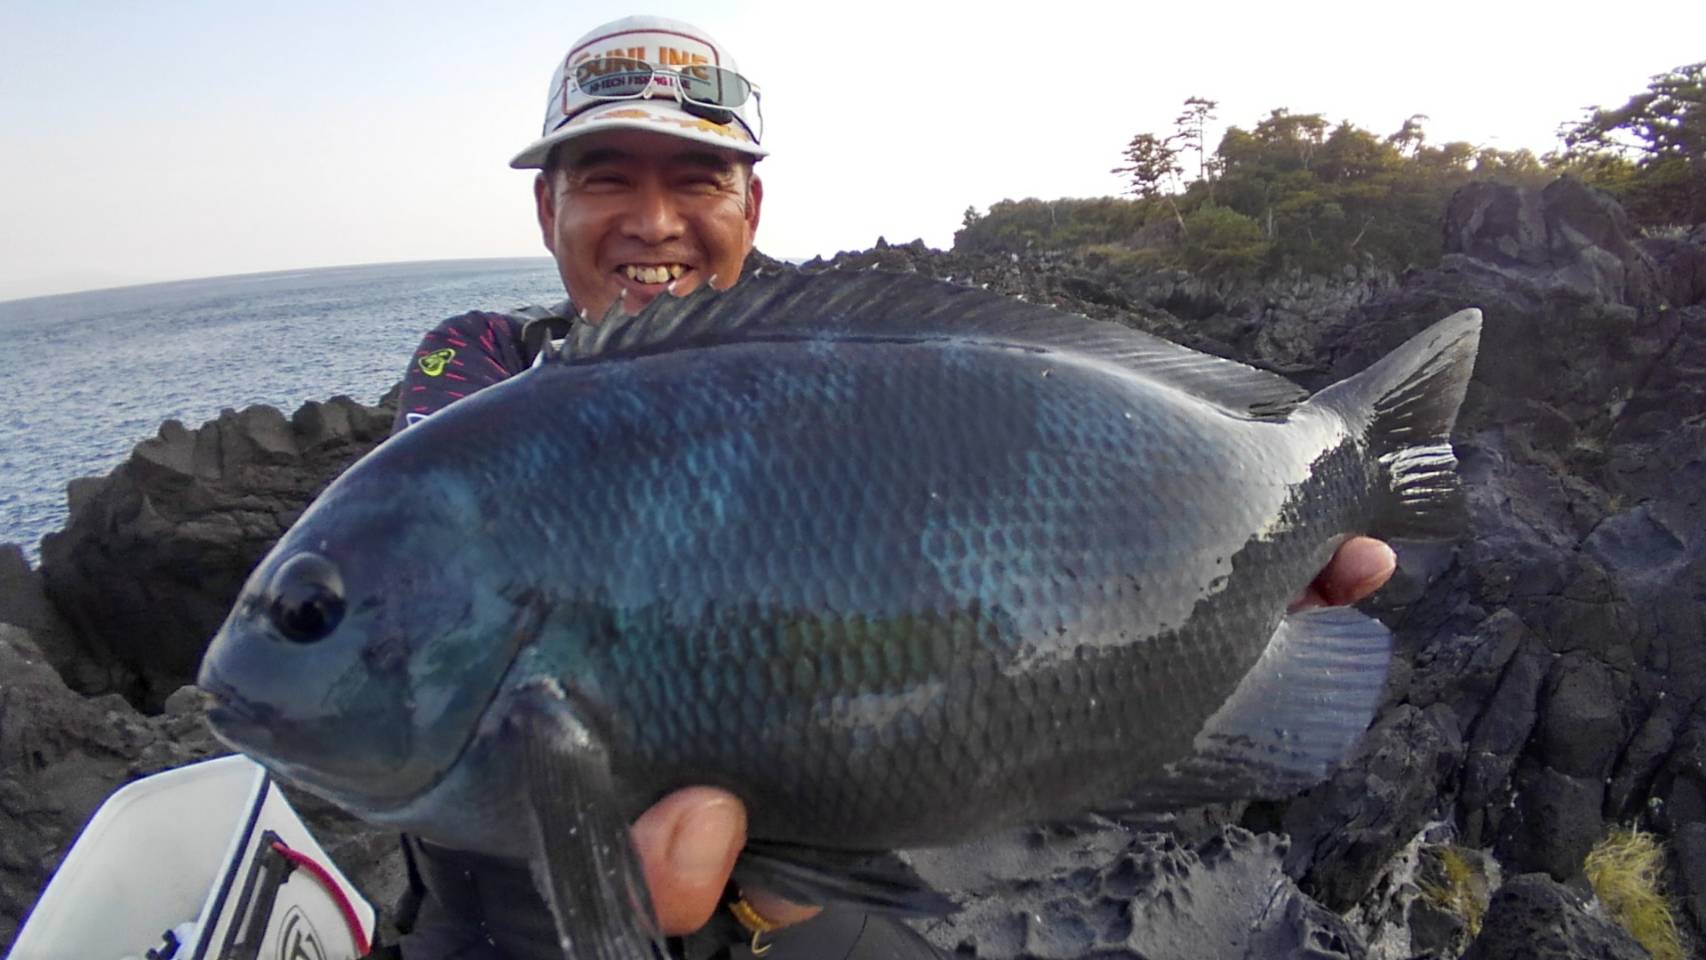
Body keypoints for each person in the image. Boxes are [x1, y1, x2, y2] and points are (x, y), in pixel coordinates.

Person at [382, 14, 1399, 960]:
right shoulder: (473, 368)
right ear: (546, 205)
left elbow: (996, 541)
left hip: (798, 892)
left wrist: (1205, 583)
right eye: (606, 179)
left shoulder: (846, 378)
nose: (653, 222)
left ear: (750, 206)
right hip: (506, 908)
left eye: (697, 181)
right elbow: (421, 581)